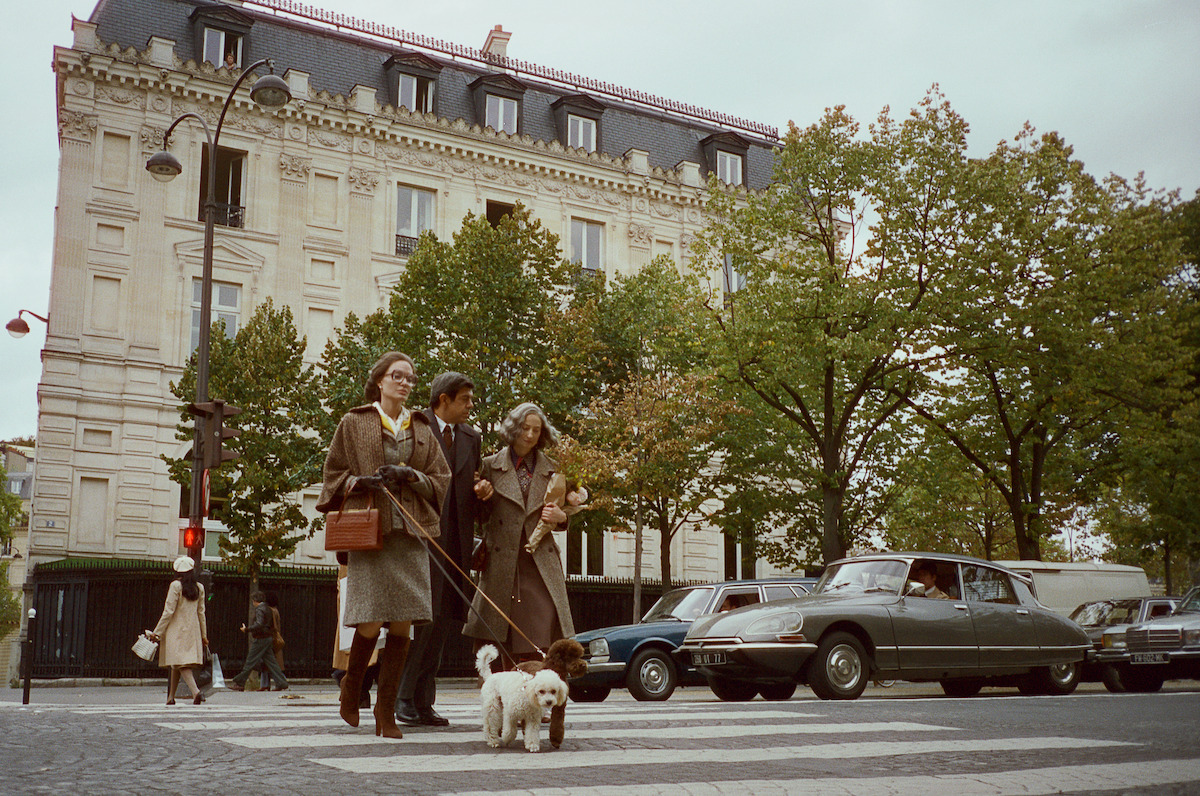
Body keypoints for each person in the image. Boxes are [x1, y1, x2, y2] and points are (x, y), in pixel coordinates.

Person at [316, 351, 450, 738]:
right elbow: (332, 474)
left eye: (410, 377)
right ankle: (351, 688)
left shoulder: (422, 427)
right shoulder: (353, 422)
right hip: (372, 535)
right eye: (398, 376)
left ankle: (385, 711)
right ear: (379, 380)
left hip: (411, 536)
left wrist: (411, 476)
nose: (405, 383)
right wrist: (358, 483)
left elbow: (440, 478)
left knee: (404, 623)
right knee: (372, 620)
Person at [396, 372, 489, 728]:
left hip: (457, 544)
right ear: (443, 400)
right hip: (422, 541)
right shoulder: (414, 427)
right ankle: (403, 697)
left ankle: (423, 701)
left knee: (445, 620)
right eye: (464, 399)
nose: (469, 406)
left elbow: (470, 483)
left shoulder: (471, 437)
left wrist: (483, 489)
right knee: (424, 619)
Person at [463, 402, 573, 668]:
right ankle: (501, 697)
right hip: (501, 562)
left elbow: (564, 509)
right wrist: (482, 496)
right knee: (498, 632)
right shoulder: (489, 465)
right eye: (525, 428)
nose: (531, 435)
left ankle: (540, 692)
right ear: (514, 429)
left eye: (536, 430)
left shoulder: (554, 469)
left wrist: (562, 519)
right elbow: (478, 515)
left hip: (539, 562)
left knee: (542, 626)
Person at [150, 555, 208, 705]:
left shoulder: (175, 586)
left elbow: (168, 611)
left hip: (176, 629)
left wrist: (157, 631)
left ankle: (195, 692)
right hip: (192, 629)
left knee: (181, 663)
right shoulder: (199, 587)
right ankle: (171, 697)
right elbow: (201, 613)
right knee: (176, 663)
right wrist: (204, 634)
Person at [227, 591, 289, 691]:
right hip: (267, 638)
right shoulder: (268, 608)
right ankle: (282, 682)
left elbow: (259, 624)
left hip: (261, 638)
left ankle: (240, 683)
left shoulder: (260, 609)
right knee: (272, 662)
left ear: (255, 601)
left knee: (250, 661)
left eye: (253, 600)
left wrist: (247, 629)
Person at [257, 591, 286, 691]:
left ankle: (272, 683)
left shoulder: (270, 610)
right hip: (274, 638)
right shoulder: (275, 610)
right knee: (271, 663)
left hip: (270, 639)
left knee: (271, 663)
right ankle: (269, 684)